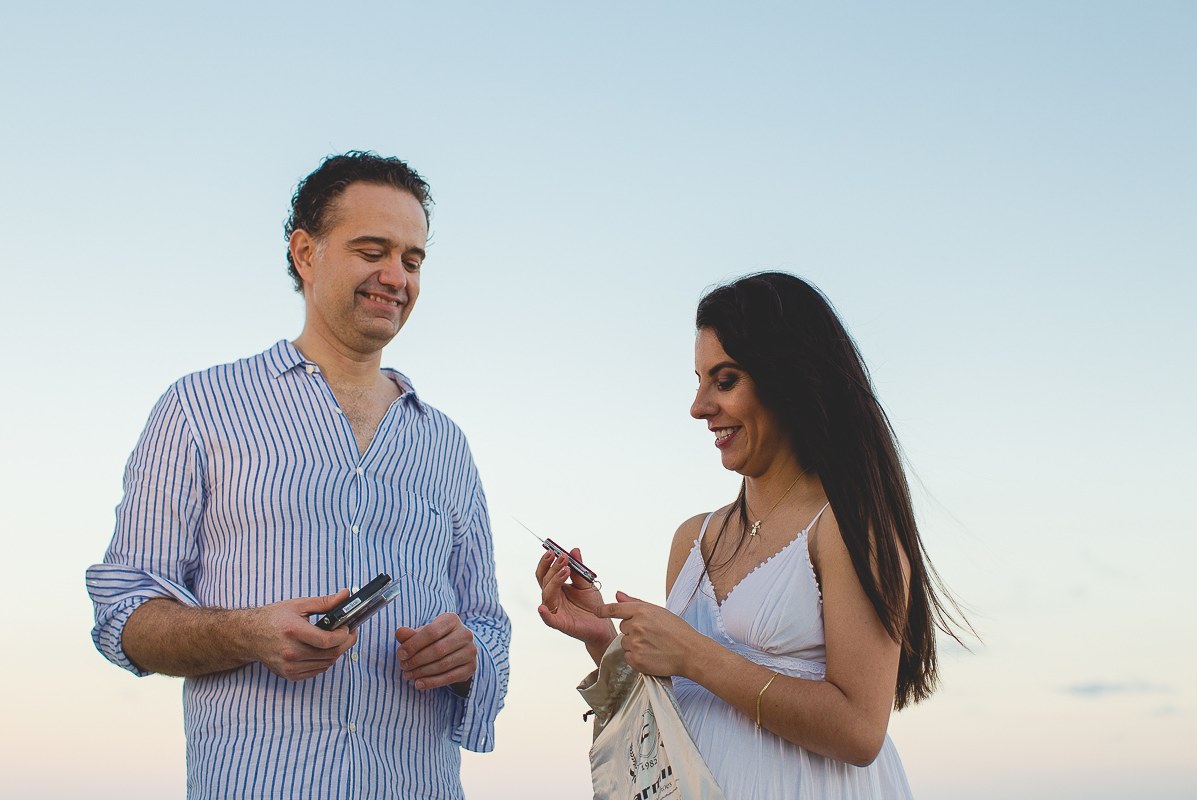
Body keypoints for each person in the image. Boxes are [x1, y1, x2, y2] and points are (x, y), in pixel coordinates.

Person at [87, 152, 511, 800]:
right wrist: (248, 634)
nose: (395, 277)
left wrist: (470, 658)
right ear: (306, 254)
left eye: (413, 259)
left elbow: (488, 625)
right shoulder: (198, 408)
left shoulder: (446, 444)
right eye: (373, 251)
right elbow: (125, 614)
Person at [535, 272, 965, 799]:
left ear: (786, 378)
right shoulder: (692, 539)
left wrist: (693, 654)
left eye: (725, 380)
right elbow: (672, 717)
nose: (698, 406)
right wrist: (605, 641)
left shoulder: (847, 525)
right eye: (698, 380)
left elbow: (859, 731)